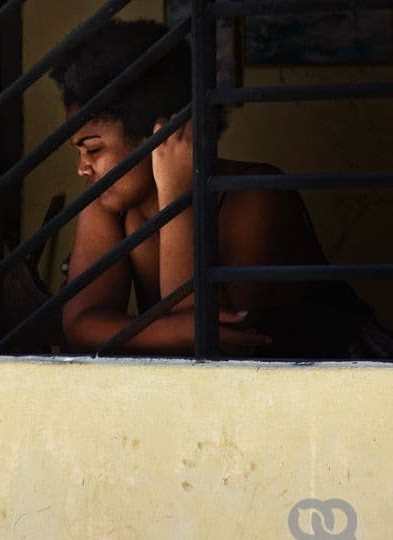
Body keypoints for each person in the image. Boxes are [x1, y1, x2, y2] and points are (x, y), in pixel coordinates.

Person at [50, 19, 391, 358]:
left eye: (93, 149)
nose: (83, 167)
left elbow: (208, 348)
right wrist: (174, 332)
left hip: (349, 368)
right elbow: (80, 325)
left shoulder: (255, 195)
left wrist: (176, 196)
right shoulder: (109, 198)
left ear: (160, 135)